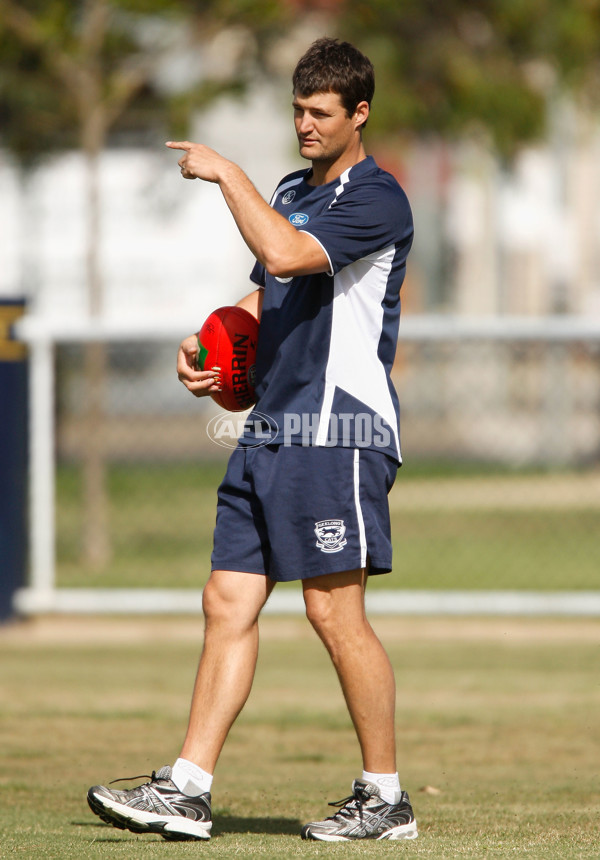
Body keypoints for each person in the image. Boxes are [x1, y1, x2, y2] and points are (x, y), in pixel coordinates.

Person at [87, 36, 416, 843]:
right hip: (270, 424)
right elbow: (264, 288)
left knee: (333, 611)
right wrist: (213, 352)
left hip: (336, 428)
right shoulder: (289, 189)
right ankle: (189, 788)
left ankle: (385, 798)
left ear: (359, 114)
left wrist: (225, 172)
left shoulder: (379, 199)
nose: (304, 124)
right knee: (226, 598)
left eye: (320, 113)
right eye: (297, 110)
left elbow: (284, 251)